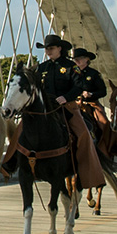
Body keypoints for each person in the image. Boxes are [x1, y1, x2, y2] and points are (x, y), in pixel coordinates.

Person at [31, 35, 105, 189]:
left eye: (51, 48)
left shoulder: (71, 67)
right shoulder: (41, 67)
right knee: (21, 130)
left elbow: (79, 86)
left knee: (84, 133)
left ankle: (88, 170)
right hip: (46, 108)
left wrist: (65, 97)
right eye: (46, 49)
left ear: (59, 48)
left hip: (67, 106)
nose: (48, 51)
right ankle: (10, 165)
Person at [72, 47, 111, 156]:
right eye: (75, 59)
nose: (77, 61)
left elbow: (103, 91)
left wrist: (91, 94)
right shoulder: (72, 73)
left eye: (79, 58)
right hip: (74, 104)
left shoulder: (94, 74)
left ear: (86, 59)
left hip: (90, 104)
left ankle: (107, 149)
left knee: (104, 123)